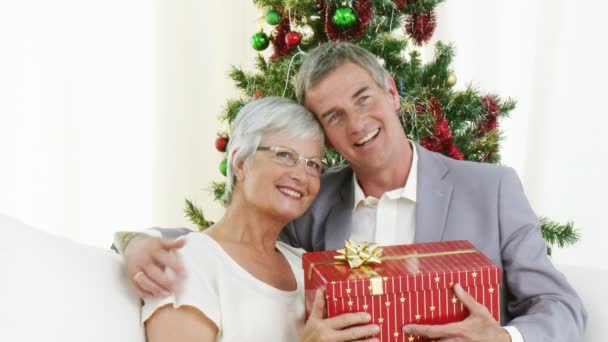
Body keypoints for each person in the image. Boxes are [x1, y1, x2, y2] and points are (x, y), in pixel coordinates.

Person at [120, 43, 587, 341]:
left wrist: (505, 340)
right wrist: (139, 242)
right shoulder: (309, 198)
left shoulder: (491, 189)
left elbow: (560, 306)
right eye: (334, 116)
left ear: (392, 93)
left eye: (364, 98)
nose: (358, 124)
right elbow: (237, 243)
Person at [137, 96, 380, 342]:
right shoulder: (189, 263)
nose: (301, 175)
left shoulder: (305, 267)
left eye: (313, 165)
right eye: (285, 155)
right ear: (240, 162)